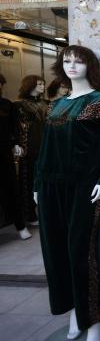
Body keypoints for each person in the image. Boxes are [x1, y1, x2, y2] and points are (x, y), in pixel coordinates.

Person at [34, 45, 100, 341]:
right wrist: (37, 183)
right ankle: (74, 314)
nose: (72, 65)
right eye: (67, 60)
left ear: (90, 65)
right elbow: (44, 148)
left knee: (79, 254)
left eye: (79, 61)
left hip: (83, 188)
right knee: (56, 253)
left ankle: (94, 324)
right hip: (49, 186)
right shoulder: (56, 105)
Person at [0, 73, 31, 239]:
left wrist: (17, 143)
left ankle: (20, 225)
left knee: (12, 187)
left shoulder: (7, 105)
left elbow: (14, 127)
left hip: (4, 151)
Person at [15, 75, 48, 224]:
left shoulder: (45, 104)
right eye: (39, 84)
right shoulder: (19, 105)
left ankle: (43, 212)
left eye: (43, 84)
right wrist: (16, 144)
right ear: (31, 85)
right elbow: (16, 128)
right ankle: (29, 215)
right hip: (28, 147)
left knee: (43, 181)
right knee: (28, 181)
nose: (43, 86)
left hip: (45, 146)